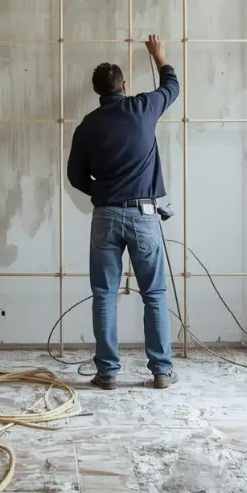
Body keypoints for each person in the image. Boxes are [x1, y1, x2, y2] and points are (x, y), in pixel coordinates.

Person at [66, 34, 180, 391]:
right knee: (155, 295)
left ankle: (108, 373)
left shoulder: (87, 125)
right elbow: (172, 86)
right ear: (124, 86)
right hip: (144, 215)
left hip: (105, 216)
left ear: (97, 91)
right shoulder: (144, 107)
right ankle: (161, 371)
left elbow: (74, 176)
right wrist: (158, 55)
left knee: (104, 295)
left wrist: (101, 192)